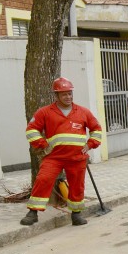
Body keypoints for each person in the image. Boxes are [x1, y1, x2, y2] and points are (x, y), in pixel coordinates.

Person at [20, 77, 103, 227]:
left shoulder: (83, 112)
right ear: (56, 96)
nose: (68, 97)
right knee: (43, 180)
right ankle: (33, 212)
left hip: (77, 158)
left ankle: (76, 215)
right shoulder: (44, 112)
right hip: (54, 157)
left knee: (77, 186)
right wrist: (43, 144)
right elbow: (31, 130)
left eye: (70, 93)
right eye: (64, 94)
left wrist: (91, 144)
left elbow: (96, 129)